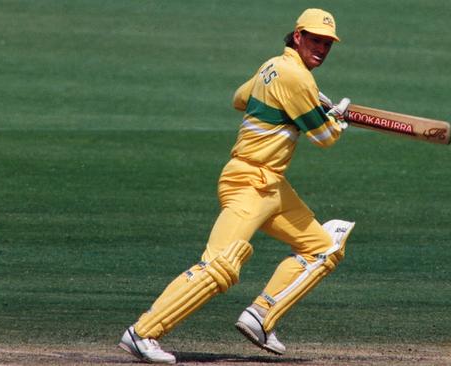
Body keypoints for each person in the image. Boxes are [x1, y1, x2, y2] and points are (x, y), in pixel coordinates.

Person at [119, 8, 355, 364]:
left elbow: (239, 98)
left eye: (327, 43)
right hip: (249, 181)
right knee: (221, 266)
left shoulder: (271, 66)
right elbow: (325, 138)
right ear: (297, 36)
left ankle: (261, 317)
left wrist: (307, 102)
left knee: (322, 249)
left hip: (271, 185)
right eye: (315, 40)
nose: (321, 48)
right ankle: (143, 333)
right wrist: (333, 117)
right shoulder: (297, 78)